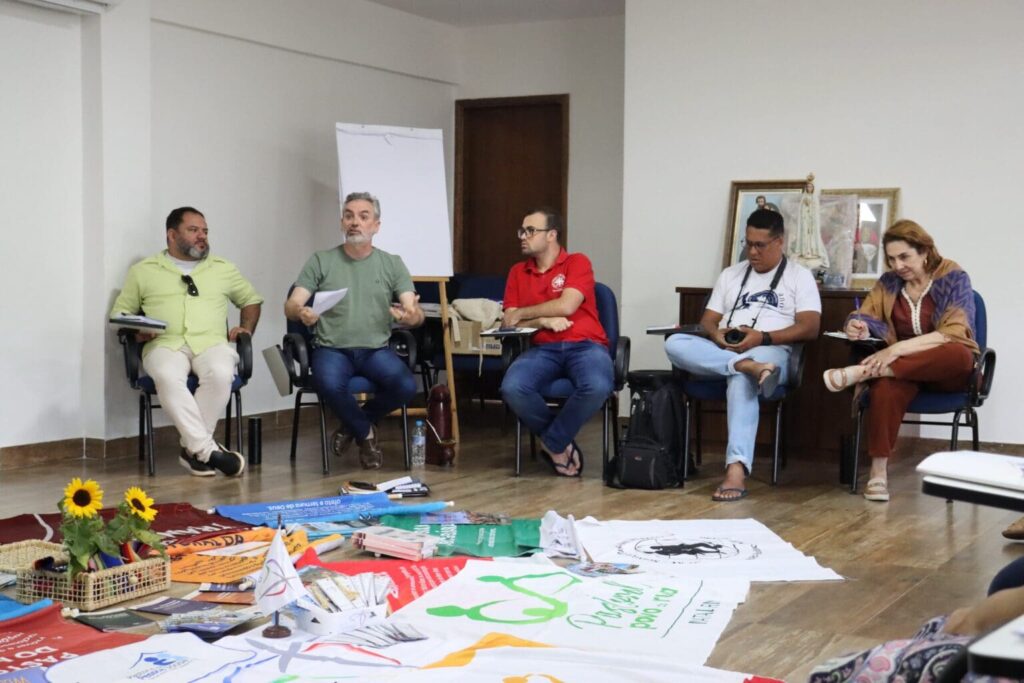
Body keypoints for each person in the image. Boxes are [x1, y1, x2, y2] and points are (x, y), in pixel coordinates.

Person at [665, 208, 821, 501]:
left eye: (760, 245)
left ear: (779, 242)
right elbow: (709, 319)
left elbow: (810, 327)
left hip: (772, 352)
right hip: (727, 350)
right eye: (747, 243)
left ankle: (735, 469)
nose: (752, 251)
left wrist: (762, 337)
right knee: (674, 343)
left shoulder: (799, 277)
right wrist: (716, 335)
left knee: (739, 379)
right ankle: (748, 366)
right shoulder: (731, 274)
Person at [822, 220, 977, 502]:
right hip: (902, 373)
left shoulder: (953, 276)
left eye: (904, 257)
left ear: (925, 251)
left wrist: (896, 351)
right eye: (892, 258)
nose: (897, 265)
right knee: (884, 387)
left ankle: (862, 372)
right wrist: (857, 325)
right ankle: (878, 475)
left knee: (959, 354)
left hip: (945, 374)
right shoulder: (889, 283)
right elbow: (866, 315)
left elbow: (954, 332)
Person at [110, 207, 262, 477]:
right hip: (165, 344)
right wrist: (136, 331)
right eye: (193, 230)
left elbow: (251, 299)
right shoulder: (144, 270)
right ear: (171, 235)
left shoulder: (223, 268)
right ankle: (206, 451)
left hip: (211, 343)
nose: (202, 236)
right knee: (167, 375)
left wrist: (245, 328)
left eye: (204, 231)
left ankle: (193, 450)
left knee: (222, 371)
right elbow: (121, 313)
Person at [285, 192, 422, 470]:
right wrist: (301, 311)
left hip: (376, 350)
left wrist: (411, 316)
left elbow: (414, 311)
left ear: (376, 226)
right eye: (349, 216)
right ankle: (366, 434)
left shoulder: (392, 263)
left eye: (363, 216)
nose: (355, 222)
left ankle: (353, 425)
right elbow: (291, 304)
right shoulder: (321, 260)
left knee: (407, 385)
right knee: (327, 383)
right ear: (341, 222)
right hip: (332, 349)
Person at [499, 207, 613, 477]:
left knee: (597, 385)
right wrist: (542, 322)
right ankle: (560, 443)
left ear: (552, 235)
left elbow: (567, 305)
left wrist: (526, 313)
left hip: (585, 345)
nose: (523, 237)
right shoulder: (517, 272)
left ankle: (553, 442)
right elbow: (508, 321)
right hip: (543, 349)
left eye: (530, 231)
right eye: (522, 231)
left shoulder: (577, 262)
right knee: (512, 387)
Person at [790, 173, 829, 270]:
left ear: (813, 188)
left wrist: (811, 207)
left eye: (811, 187)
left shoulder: (815, 198)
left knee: (812, 237)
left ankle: (813, 251)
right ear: (806, 188)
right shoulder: (803, 198)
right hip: (805, 221)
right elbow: (801, 210)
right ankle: (804, 251)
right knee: (805, 236)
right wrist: (805, 207)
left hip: (812, 223)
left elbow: (816, 211)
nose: (809, 188)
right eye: (808, 187)